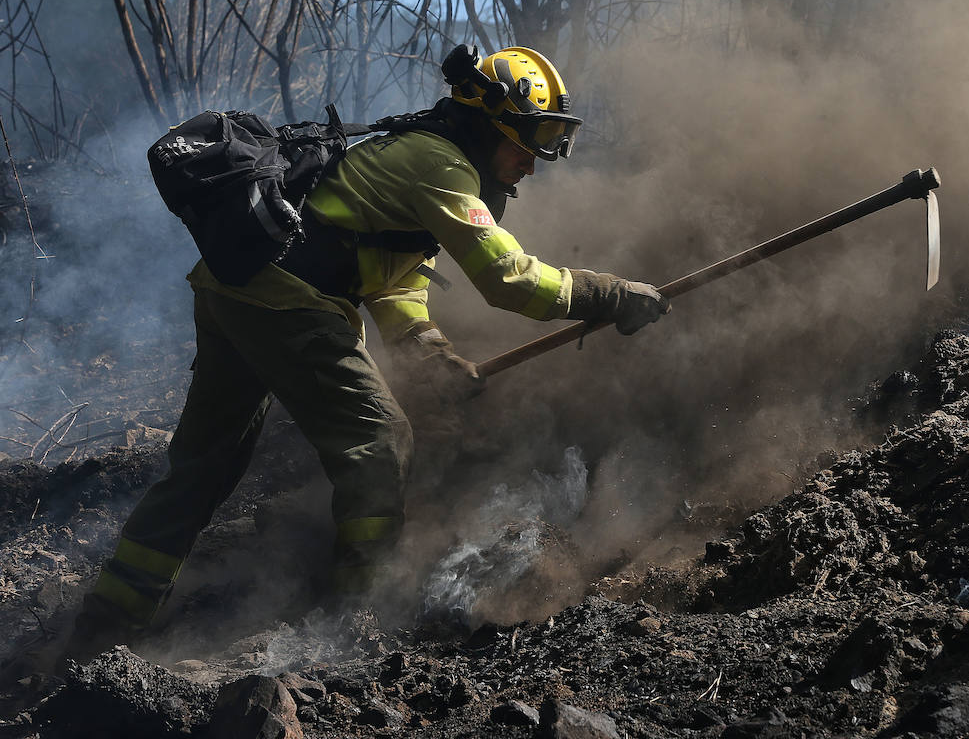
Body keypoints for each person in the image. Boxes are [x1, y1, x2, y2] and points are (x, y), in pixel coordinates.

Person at [68, 45, 668, 658]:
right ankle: (354, 625)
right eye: (527, 141)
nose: (531, 164)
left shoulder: (415, 153)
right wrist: (607, 294)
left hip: (236, 291)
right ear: (490, 124)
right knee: (380, 442)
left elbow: (393, 278)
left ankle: (107, 620)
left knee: (206, 465)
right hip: (287, 298)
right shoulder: (441, 164)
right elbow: (509, 280)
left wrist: (429, 352)